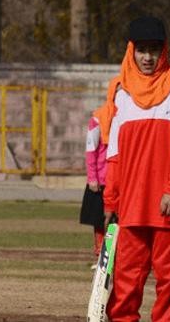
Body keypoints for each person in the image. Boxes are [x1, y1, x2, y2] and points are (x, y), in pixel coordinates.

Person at [102, 16, 170, 321]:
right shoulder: (121, 93)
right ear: (130, 51)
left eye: (154, 50)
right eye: (142, 50)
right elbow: (115, 154)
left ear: (165, 51)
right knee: (124, 283)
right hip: (132, 206)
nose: (148, 57)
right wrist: (111, 199)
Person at [79, 108, 107, 267]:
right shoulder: (98, 119)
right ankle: (101, 257)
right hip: (102, 180)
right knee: (99, 221)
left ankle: (116, 257)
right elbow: (91, 150)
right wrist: (92, 178)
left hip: (119, 179)